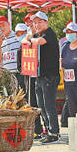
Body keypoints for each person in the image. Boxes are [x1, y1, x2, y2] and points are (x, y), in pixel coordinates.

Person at [22, 11, 60, 144]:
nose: (36, 25)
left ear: (46, 22)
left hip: (49, 76)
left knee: (49, 105)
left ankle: (54, 132)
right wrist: (28, 38)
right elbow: (23, 41)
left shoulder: (49, 33)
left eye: (39, 22)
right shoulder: (36, 35)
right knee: (41, 106)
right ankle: (47, 130)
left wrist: (29, 39)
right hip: (39, 75)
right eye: (35, 22)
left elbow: (39, 42)